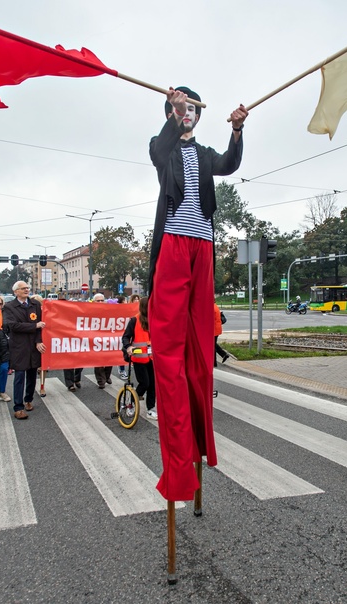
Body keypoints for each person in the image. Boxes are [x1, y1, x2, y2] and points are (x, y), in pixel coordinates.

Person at [147, 86, 247, 501]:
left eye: (193, 109)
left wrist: (238, 131)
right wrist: (173, 113)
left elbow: (229, 163)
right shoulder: (162, 146)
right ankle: (176, 449)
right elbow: (160, 147)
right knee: (170, 341)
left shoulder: (205, 154)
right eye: (181, 108)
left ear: (200, 116)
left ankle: (201, 427)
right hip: (173, 242)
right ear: (173, 112)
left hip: (203, 244)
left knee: (200, 339)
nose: (187, 114)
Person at [3, 281, 44, 420]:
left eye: (27, 288)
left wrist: (39, 340)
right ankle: (18, 407)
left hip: (33, 346)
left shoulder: (35, 304)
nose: (27, 290)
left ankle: (28, 399)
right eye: (23, 288)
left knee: (32, 375)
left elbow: (41, 326)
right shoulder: (9, 307)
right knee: (19, 376)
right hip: (19, 346)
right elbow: (13, 326)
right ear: (16, 291)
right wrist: (34, 326)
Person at [122, 297, 156, 419]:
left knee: (153, 385)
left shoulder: (155, 319)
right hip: (139, 358)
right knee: (145, 383)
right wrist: (128, 347)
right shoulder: (134, 320)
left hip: (152, 358)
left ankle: (150, 409)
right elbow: (125, 337)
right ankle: (131, 404)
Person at [91, 293, 113, 388]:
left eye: (102, 300)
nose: (100, 302)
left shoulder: (109, 310)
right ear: (94, 301)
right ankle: (101, 381)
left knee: (110, 360)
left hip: (108, 339)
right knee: (98, 361)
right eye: (98, 300)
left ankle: (107, 376)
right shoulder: (89, 311)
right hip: (95, 340)